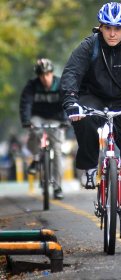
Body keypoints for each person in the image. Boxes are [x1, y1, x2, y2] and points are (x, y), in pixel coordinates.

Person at [60, 2, 121, 240]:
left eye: (118, 28)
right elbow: (72, 73)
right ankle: (90, 164)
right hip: (94, 97)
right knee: (81, 118)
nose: (112, 33)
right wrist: (71, 101)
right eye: (107, 28)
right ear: (100, 27)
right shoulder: (89, 46)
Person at [19, 58, 67, 200]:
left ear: (52, 73)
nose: (45, 78)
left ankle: (57, 186)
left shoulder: (60, 84)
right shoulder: (32, 86)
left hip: (56, 119)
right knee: (34, 131)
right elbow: (25, 103)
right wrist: (26, 121)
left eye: (47, 74)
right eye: (41, 75)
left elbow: (67, 102)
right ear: (38, 76)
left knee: (57, 150)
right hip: (38, 117)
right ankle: (35, 156)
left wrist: (65, 120)